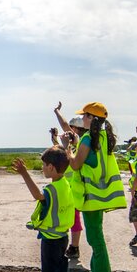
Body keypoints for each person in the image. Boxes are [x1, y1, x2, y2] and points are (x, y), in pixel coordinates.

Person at [62, 101, 127, 272]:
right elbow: (91, 158)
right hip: (100, 195)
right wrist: (77, 143)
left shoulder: (88, 138)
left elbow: (75, 165)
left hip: (91, 197)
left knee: (95, 238)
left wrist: (67, 147)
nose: (82, 119)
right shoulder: (103, 137)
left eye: (84, 116)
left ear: (92, 118)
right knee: (95, 235)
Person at [12, 147, 75, 272]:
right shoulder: (65, 184)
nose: (42, 168)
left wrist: (24, 174)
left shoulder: (52, 189)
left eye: (44, 165)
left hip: (51, 239)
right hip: (63, 235)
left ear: (52, 168)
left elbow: (38, 195)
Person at [52, 104, 85, 258]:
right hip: (70, 187)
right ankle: (73, 246)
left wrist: (57, 111)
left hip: (73, 189)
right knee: (71, 217)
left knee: (72, 218)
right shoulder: (81, 143)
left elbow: (64, 125)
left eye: (71, 129)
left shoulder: (79, 144)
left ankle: (74, 246)